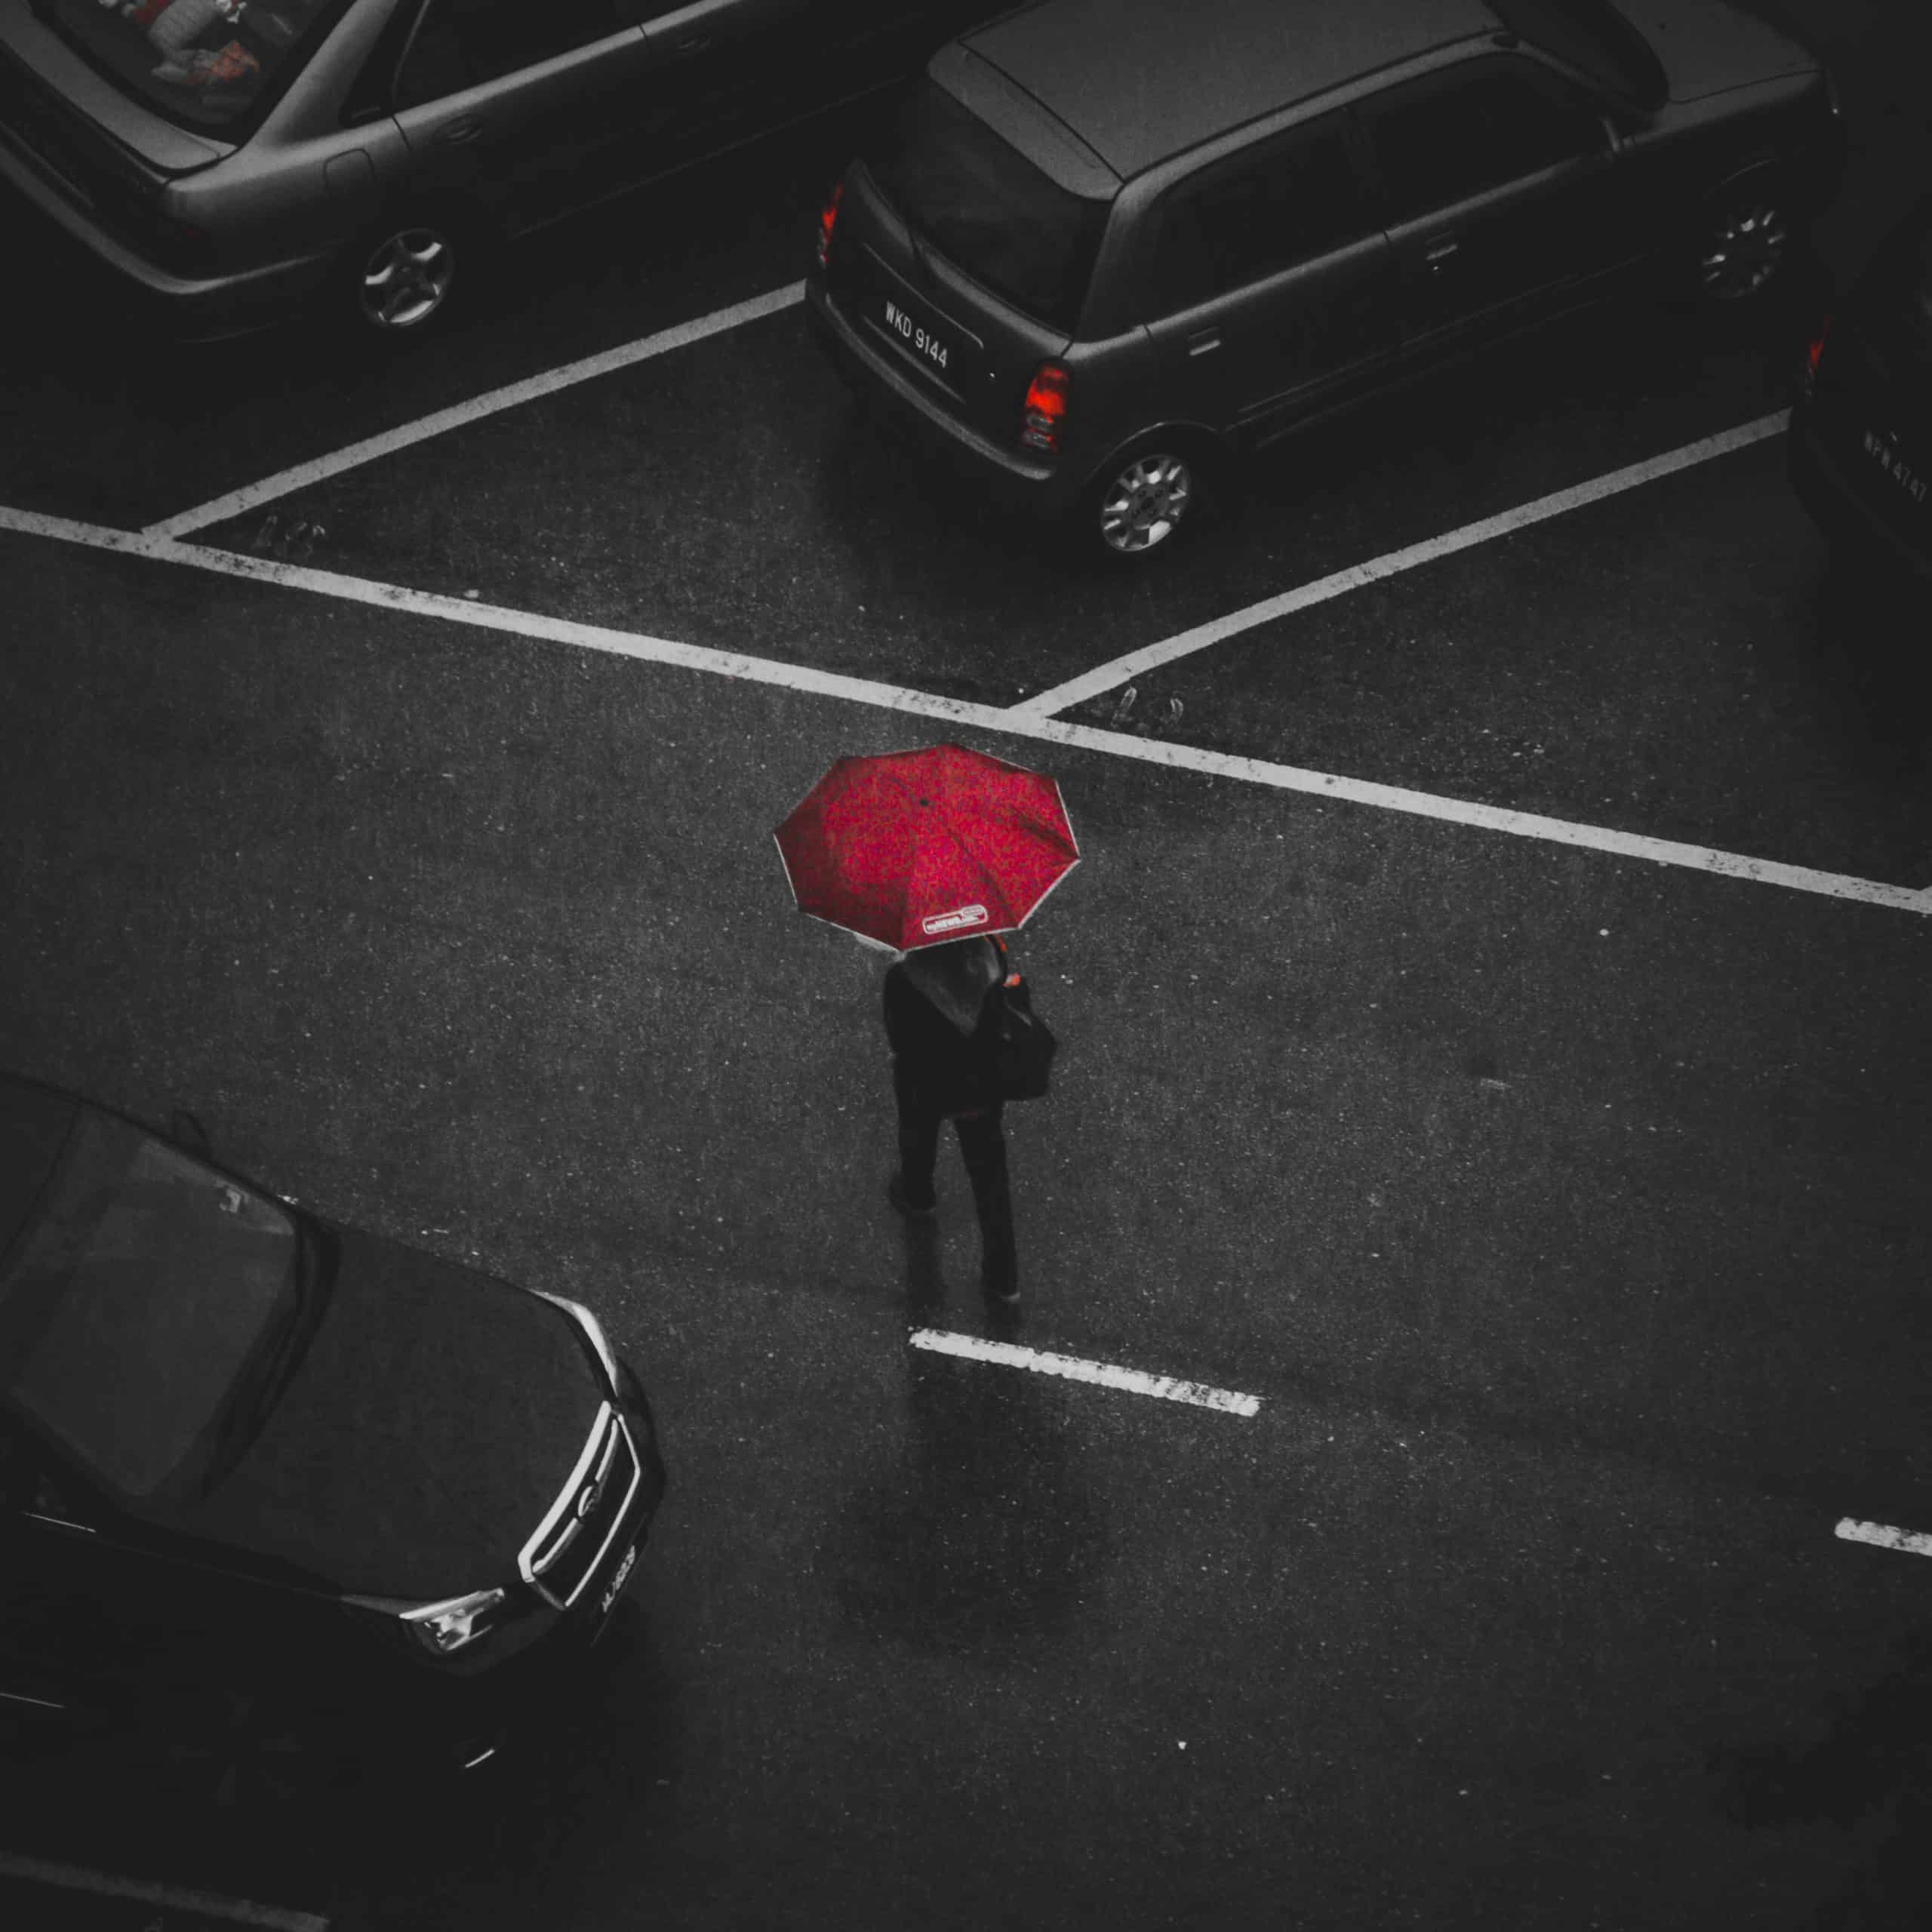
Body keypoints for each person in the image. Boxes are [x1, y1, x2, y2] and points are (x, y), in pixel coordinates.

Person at [881, 934, 1020, 1305]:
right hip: (982, 1090)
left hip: (927, 1086)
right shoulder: (991, 956)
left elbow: (899, 1038)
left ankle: (918, 1194)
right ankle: (1003, 1278)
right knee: (991, 1181)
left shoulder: (904, 978)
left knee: (917, 1137)